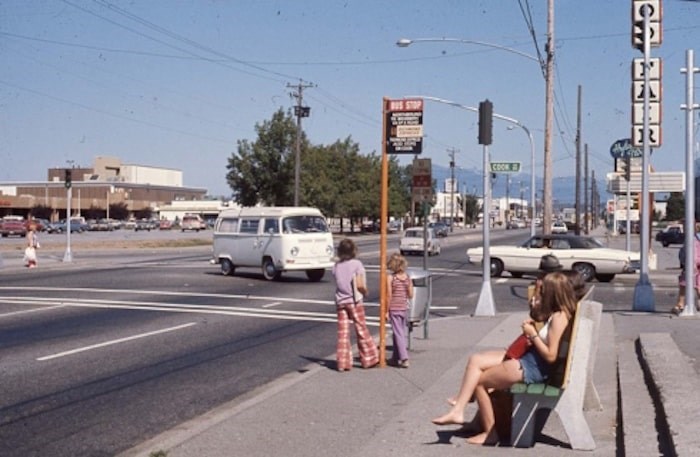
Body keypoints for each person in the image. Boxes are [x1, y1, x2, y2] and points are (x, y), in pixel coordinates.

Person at [432, 271, 578, 446]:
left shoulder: (559, 318)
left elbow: (551, 355)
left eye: (544, 289)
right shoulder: (558, 313)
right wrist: (537, 295)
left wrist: (532, 335)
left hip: (530, 367)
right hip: (530, 360)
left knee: (480, 382)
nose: (542, 291)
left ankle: (490, 433)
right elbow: (537, 315)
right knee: (476, 360)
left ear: (553, 292)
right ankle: (461, 409)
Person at [332, 239, 379, 371]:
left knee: (343, 332)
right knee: (361, 329)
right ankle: (369, 358)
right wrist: (366, 292)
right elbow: (359, 284)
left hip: (340, 301)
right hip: (354, 301)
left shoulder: (336, 266)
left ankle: (343, 362)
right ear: (353, 251)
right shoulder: (357, 264)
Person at [386, 252, 414, 368]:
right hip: (403, 308)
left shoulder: (391, 278)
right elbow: (411, 294)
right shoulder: (407, 278)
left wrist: (386, 311)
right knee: (399, 332)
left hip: (394, 308)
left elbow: (389, 295)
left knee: (398, 334)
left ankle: (404, 358)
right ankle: (395, 357)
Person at [672, 222, 700, 314]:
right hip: (691, 265)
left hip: (692, 265)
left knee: (689, 284)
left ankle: (681, 304)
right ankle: (680, 303)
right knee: (686, 285)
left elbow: (693, 253)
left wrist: (692, 263)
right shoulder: (692, 238)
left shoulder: (693, 239)